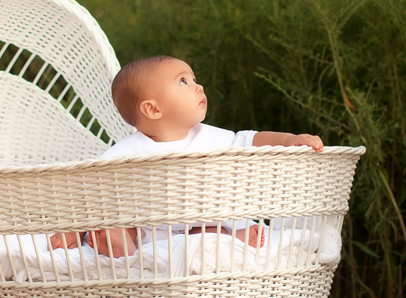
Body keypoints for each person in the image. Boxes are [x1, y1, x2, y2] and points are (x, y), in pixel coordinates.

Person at [49, 55, 323, 258]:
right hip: (152, 234)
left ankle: (236, 239)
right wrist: (75, 229)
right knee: (115, 221)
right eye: (183, 81)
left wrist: (289, 141)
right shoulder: (126, 153)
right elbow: (91, 190)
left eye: (193, 79)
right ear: (153, 109)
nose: (198, 86)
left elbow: (251, 140)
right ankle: (120, 248)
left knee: (209, 236)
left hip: (206, 223)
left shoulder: (210, 137)